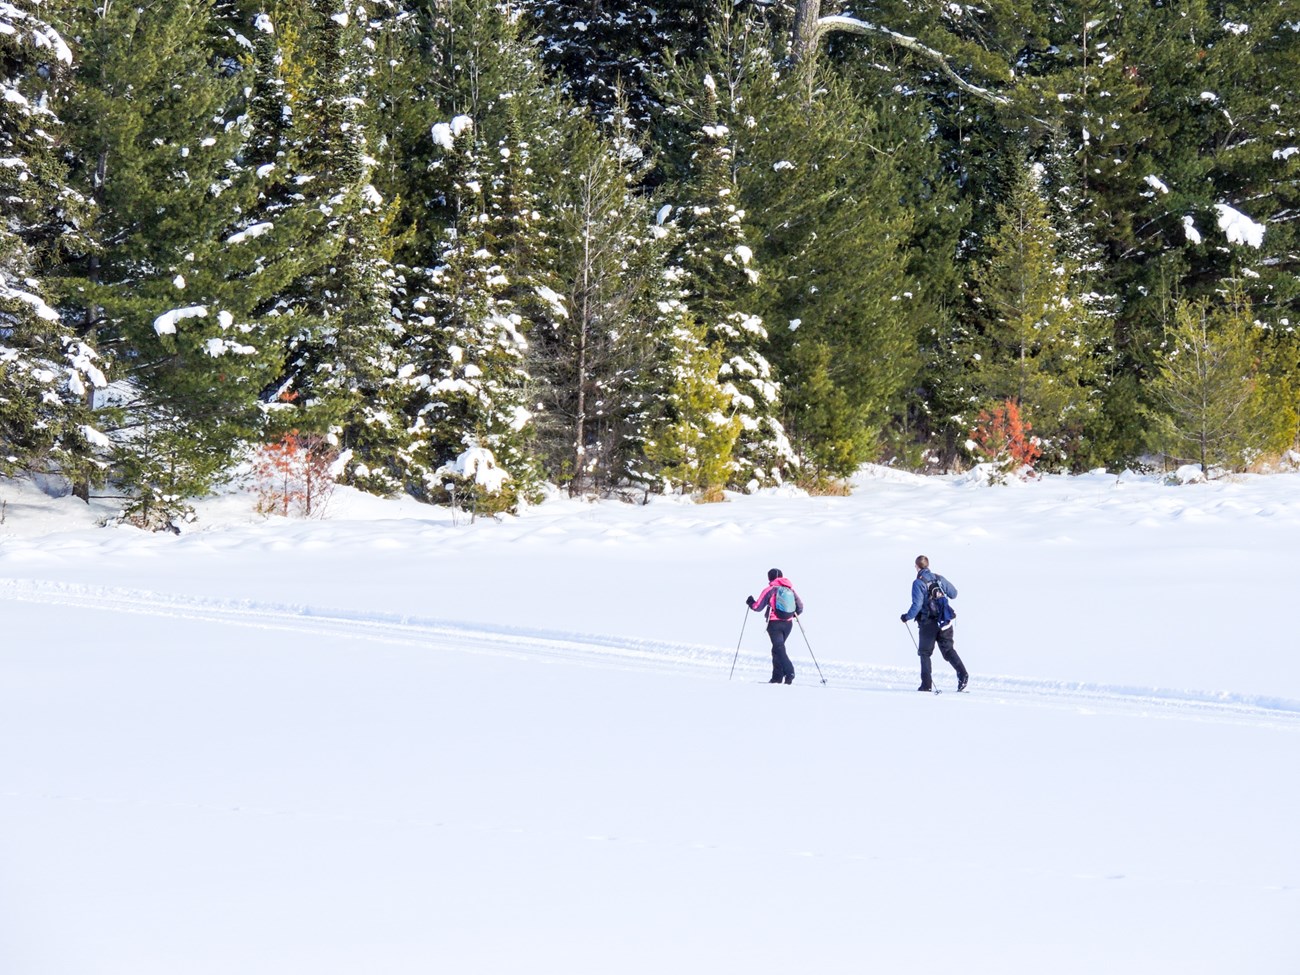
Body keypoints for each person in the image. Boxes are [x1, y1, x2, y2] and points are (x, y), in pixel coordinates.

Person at [900, 555, 969, 692]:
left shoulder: (918, 583)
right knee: (948, 650)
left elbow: (917, 605)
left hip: (928, 624)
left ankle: (926, 686)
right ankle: (963, 674)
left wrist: (907, 617)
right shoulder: (939, 578)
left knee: (925, 653)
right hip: (945, 620)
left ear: (917, 566)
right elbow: (954, 594)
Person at [747, 568, 804, 684]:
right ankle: (776, 678)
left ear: (769, 578)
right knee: (777, 649)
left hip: (774, 624)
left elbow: (757, 607)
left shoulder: (770, 590)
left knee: (779, 648)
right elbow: (800, 608)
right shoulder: (790, 590)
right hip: (788, 625)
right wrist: (789, 615)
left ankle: (790, 672)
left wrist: (750, 602)